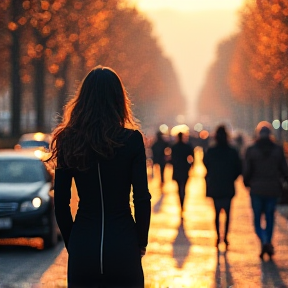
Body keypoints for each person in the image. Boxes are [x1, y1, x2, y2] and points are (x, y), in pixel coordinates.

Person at [48, 66, 151, 288]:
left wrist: (73, 242)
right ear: (118, 100)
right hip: (123, 243)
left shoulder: (68, 140)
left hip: (84, 243)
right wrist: (140, 241)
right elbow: (142, 199)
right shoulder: (132, 140)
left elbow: (61, 203)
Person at [243, 124, 288, 259]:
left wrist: (247, 182)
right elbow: (284, 170)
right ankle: (267, 240)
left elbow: (247, 170)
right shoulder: (278, 150)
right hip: (273, 188)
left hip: (256, 188)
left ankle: (263, 240)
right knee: (270, 217)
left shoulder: (251, 150)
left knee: (257, 219)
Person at [203, 125, 242, 248]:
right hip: (227, 185)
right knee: (227, 213)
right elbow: (238, 168)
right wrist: (232, 177)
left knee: (216, 212)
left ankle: (217, 236)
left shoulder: (211, 151)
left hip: (215, 185)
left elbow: (206, 163)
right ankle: (225, 237)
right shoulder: (232, 151)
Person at [171, 132, 194, 216]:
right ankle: (182, 203)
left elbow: (171, 159)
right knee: (183, 187)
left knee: (178, 188)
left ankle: (181, 203)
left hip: (177, 169)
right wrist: (191, 165)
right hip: (184, 169)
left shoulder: (174, 147)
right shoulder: (187, 146)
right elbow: (192, 156)